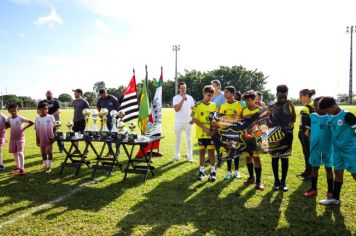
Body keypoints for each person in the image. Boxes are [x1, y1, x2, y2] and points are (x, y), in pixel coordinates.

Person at [318, 97, 356, 206]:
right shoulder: (330, 117)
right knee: (338, 172)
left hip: (351, 150)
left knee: (355, 174)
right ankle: (335, 198)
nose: (327, 113)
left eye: (327, 110)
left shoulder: (347, 115)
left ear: (334, 106)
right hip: (337, 150)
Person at [303, 97, 334, 198]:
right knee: (314, 168)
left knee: (328, 169)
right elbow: (307, 133)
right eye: (314, 105)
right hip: (315, 148)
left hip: (328, 148)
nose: (316, 107)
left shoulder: (331, 117)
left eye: (318, 105)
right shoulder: (312, 116)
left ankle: (330, 191)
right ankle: (313, 189)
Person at [268, 85, 296, 191]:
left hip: (287, 136)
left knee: (284, 158)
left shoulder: (289, 105)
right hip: (274, 136)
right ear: (276, 95)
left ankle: (283, 182)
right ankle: (276, 181)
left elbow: (293, 120)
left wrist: (292, 107)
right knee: (275, 158)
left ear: (287, 95)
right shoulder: (271, 106)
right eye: (280, 97)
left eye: (285, 96)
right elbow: (268, 121)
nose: (283, 99)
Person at [192, 85, 218, 182]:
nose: (209, 98)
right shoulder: (196, 105)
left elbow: (216, 119)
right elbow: (193, 118)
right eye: (208, 95)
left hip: (211, 134)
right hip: (201, 134)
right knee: (202, 152)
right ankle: (201, 171)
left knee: (211, 152)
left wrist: (213, 130)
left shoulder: (214, 105)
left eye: (211, 96)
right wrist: (204, 127)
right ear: (203, 94)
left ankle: (213, 171)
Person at [218, 85, 243, 180]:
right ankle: (228, 172)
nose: (224, 94)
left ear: (232, 93)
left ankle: (237, 171)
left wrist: (233, 118)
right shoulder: (223, 105)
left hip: (236, 133)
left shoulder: (239, 104)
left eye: (226, 92)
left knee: (236, 152)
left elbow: (241, 117)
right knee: (227, 151)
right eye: (224, 92)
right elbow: (221, 118)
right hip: (226, 133)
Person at [241, 90, 264, 190]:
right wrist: (245, 117)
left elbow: (264, 125)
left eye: (249, 100)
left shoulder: (260, 110)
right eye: (245, 101)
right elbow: (240, 122)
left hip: (256, 137)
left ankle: (259, 182)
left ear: (254, 99)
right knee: (247, 157)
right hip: (245, 137)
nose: (247, 102)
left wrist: (255, 127)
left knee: (256, 158)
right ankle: (251, 178)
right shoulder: (244, 109)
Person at [6, 104, 34, 175]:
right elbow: (8, 125)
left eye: (15, 110)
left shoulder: (20, 118)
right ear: (9, 111)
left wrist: (24, 128)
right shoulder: (9, 118)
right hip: (12, 139)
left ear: (18, 110)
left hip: (20, 138)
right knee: (14, 153)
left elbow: (32, 122)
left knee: (20, 152)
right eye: (11, 111)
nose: (13, 112)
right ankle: (18, 168)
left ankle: (22, 169)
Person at [172, 82, 195, 162]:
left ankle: (190, 157)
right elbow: (176, 109)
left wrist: (193, 118)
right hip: (178, 122)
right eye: (182, 88)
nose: (183, 89)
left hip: (188, 122)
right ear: (179, 89)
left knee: (189, 140)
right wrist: (183, 99)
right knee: (178, 139)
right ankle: (177, 156)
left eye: (184, 88)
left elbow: (194, 109)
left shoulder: (190, 98)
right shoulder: (175, 98)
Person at [298, 89, 316, 181]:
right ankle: (307, 171)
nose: (299, 98)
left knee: (308, 153)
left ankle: (310, 174)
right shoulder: (307, 106)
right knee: (306, 153)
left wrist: (308, 130)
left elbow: (314, 119)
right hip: (302, 132)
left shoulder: (312, 105)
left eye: (300, 96)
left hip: (307, 134)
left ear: (305, 96)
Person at [97, 89, 119, 155]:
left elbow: (118, 107)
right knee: (106, 136)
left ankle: (117, 151)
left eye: (103, 94)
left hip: (114, 120)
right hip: (105, 120)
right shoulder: (100, 99)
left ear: (106, 93)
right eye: (101, 95)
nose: (102, 96)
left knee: (115, 135)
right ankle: (110, 151)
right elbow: (98, 107)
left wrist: (115, 116)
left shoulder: (113, 98)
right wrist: (101, 114)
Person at [35, 102, 55, 172]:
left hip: (49, 139)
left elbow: (54, 127)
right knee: (43, 153)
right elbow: (36, 130)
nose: (45, 110)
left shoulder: (51, 117)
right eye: (42, 109)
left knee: (49, 152)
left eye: (46, 109)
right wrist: (37, 140)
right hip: (41, 139)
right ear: (38, 110)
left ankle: (49, 166)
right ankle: (45, 165)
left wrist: (53, 137)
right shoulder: (37, 119)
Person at [211, 80, 226, 167]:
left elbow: (225, 108)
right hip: (212, 121)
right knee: (212, 141)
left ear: (217, 86)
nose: (211, 87)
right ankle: (211, 158)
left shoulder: (223, 95)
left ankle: (221, 159)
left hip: (219, 121)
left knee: (219, 142)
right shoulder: (212, 95)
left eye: (213, 85)